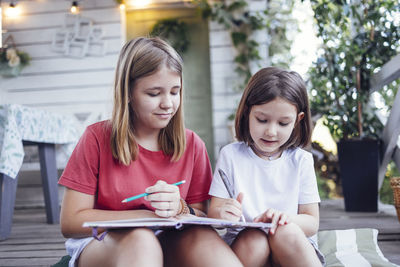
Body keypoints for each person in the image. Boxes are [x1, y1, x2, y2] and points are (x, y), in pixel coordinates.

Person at [58, 37, 243, 267]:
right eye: (154, 94)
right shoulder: (96, 138)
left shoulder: (192, 144)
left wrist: (181, 208)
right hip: (103, 243)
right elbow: (71, 222)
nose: (167, 103)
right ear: (128, 93)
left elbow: (203, 215)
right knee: (141, 239)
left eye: (175, 92)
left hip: (171, 239)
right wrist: (145, 217)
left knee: (203, 238)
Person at [208, 67, 325, 267]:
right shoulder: (231, 155)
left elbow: (312, 222)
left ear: (298, 121)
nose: (271, 131)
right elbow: (214, 213)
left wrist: (283, 219)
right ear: (247, 113)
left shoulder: (301, 161)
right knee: (255, 239)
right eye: (262, 120)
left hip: (290, 246)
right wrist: (224, 212)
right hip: (247, 247)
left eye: (283, 123)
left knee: (285, 231)